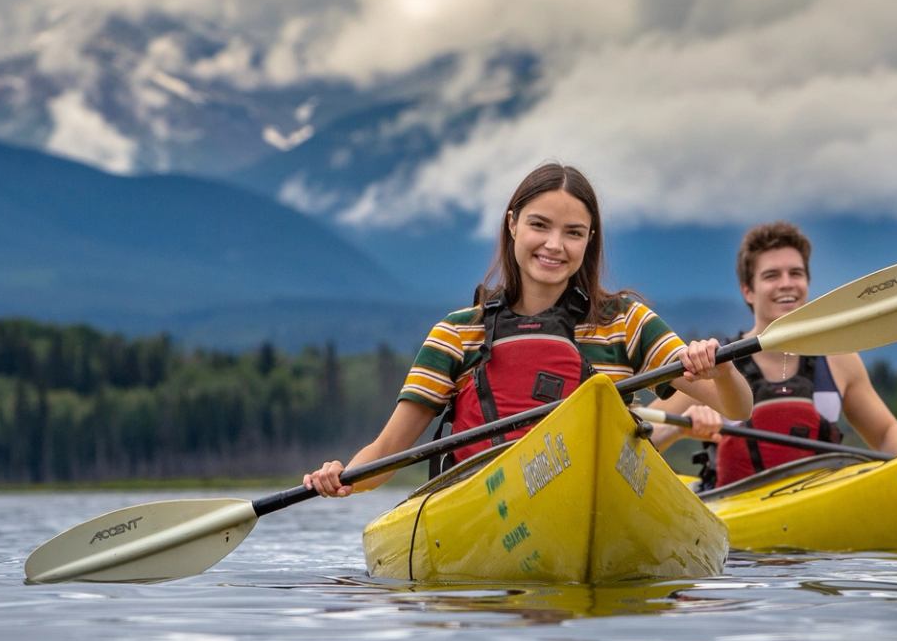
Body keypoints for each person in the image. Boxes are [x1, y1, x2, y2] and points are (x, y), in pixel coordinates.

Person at [303, 163, 752, 497]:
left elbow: (738, 409)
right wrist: (341, 479)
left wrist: (720, 372)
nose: (555, 245)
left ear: (589, 240)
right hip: (483, 506)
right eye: (540, 225)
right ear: (513, 224)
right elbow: (387, 450)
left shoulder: (626, 322)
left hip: (598, 496)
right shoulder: (458, 334)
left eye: (573, 233)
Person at [654, 220, 897, 487]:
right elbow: (644, 436)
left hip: (820, 506)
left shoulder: (839, 359)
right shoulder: (713, 364)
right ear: (748, 291)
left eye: (796, 273)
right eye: (771, 276)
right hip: (737, 515)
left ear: (807, 283)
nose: (786, 284)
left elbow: (885, 434)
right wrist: (679, 428)